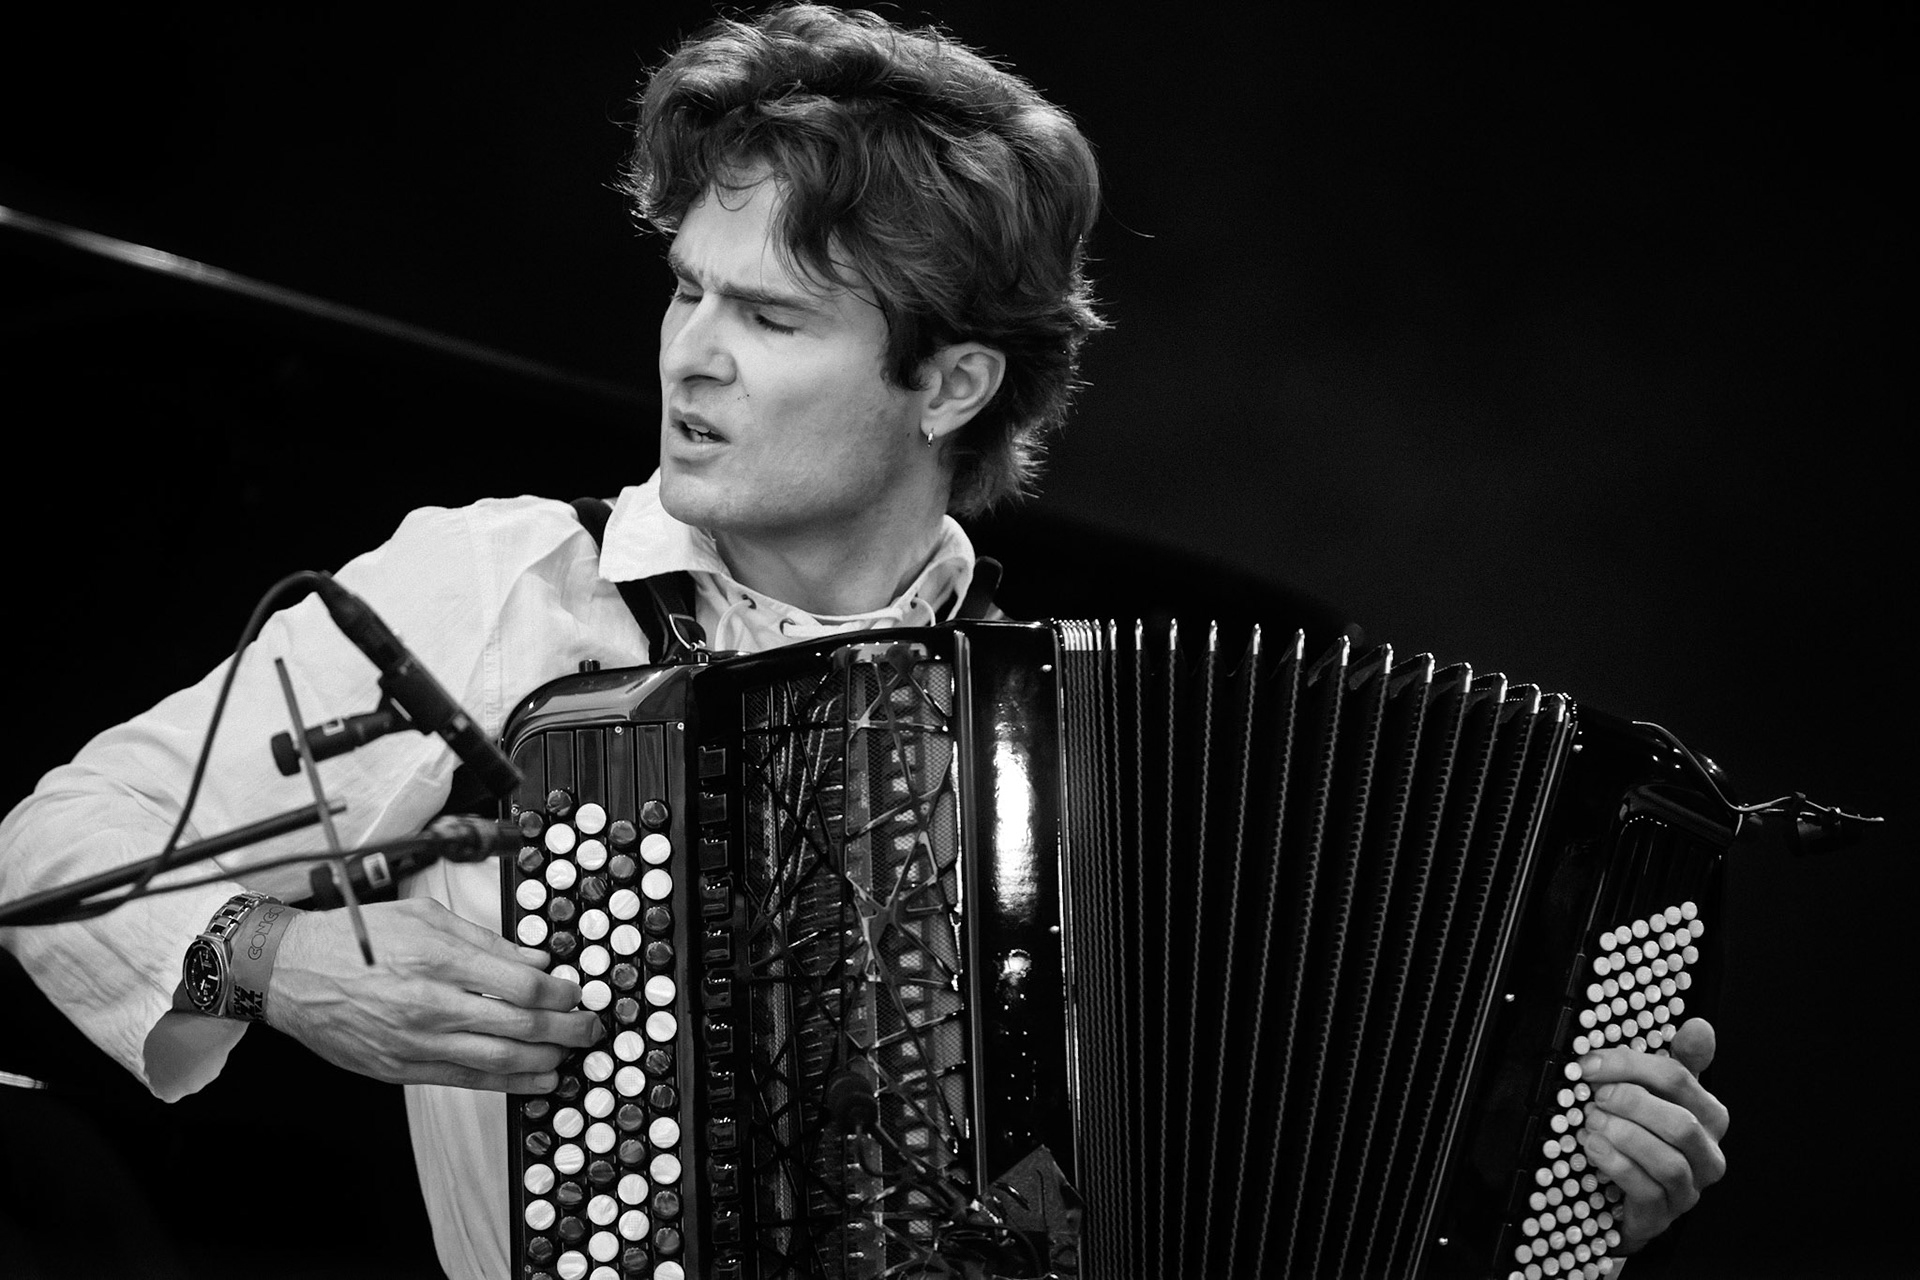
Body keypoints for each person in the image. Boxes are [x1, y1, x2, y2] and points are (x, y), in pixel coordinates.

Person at [0, 6, 1725, 1278]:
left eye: (770, 316)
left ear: (952, 382)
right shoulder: (504, 593)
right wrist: (279, 968)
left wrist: (1565, 1187)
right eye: (686, 288)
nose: (690, 355)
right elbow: (51, 854)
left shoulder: (1088, 731)